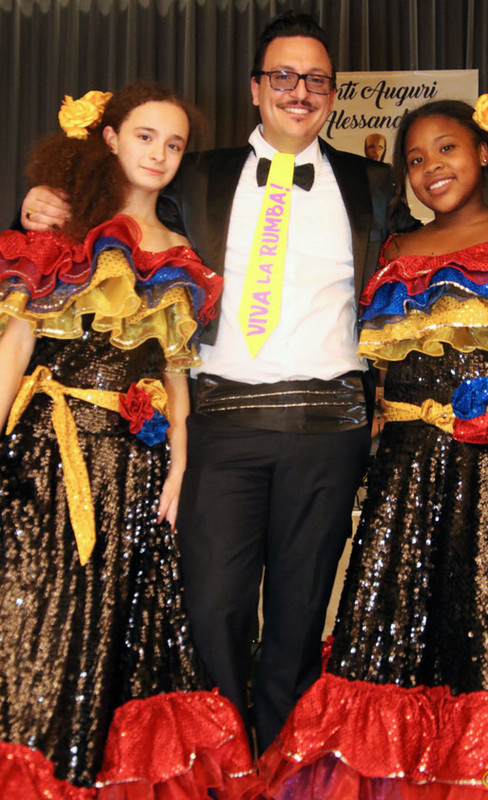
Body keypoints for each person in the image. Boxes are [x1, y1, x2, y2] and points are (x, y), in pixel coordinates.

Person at [18, 15, 488, 757]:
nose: (298, 91)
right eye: (282, 76)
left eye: (315, 79)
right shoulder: (192, 174)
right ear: (255, 88)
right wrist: (44, 201)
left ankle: (281, 762)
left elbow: (463, 230)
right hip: (219, 424)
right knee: (210, 610)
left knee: (300, 620)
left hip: (329, 429)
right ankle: (223, 759)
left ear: (332, 92)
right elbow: (114, 225)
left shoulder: (374, 184)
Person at [260, 82, 488, 799]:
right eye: (416, 158)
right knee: (389, 641)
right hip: (405, 481)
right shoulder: (394, 250)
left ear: (485, 153)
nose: (432, 167)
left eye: (447, 148)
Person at [0, 83, 258, 800]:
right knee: (31, 612)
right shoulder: (64, 230)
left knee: (112, 622)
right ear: (110, 138)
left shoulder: (180, 253)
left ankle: (87, 769)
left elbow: (176, 373)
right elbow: (15, 344)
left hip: (133, 467)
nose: (160, 155)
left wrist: (178, 466)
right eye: (146, 137)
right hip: (47, 455)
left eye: (174, 144)